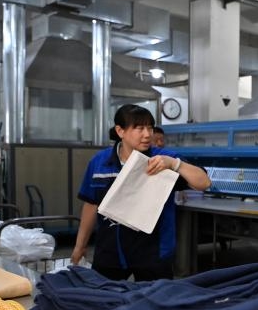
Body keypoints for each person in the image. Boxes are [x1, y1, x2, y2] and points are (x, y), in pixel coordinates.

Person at [72, 104, 211, 281]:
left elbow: (204, 183)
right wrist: (80, 246)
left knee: (154, 304)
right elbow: (91, 204)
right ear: (120, 131)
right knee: (106, 301)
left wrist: (174, 164)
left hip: (153, 254)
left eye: (150, 128)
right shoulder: (99, 162)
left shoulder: (162, 159)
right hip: (110, 252)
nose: (147, 134)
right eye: (139, 128)